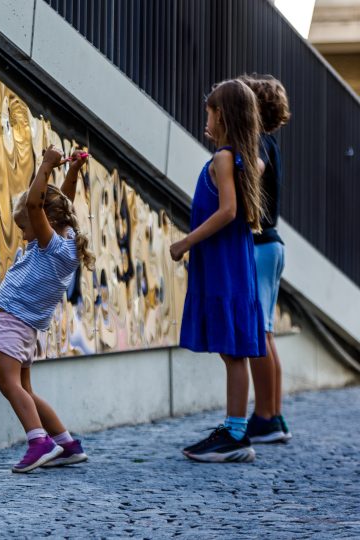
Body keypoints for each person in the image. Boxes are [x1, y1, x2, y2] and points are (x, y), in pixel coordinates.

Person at [170, 79, 266, 463]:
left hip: (225, 264)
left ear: (222, 115)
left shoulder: (224, 159)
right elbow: (255, 165)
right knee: (232, 351)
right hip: (231, 262)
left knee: (233, 351)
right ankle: (234, 428)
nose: (205, 120)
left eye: (210, 111)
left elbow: (227, 210)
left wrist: (185, 242)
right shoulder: (244, 158)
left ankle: (236, 433)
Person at [0, 146, 95, 473]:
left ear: (44, 222)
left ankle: (39, 442)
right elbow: (60, 203)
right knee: (25, 390)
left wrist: (47, 165)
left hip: (13, 319)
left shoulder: (51, 247)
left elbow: (38, 203)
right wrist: (73, 172)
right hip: (26, 326)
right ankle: (66, 444)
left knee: (8, 385)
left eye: (25, 227)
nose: (23, 235)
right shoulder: (64, 242)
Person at [239, 74, 293, 444]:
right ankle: (273, 414)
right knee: (267, 331)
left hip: (260, 247)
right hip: (272, 246)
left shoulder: (258, 144)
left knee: (260, 332)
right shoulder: (272, 143)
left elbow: (253, 170)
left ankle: (264, 415)